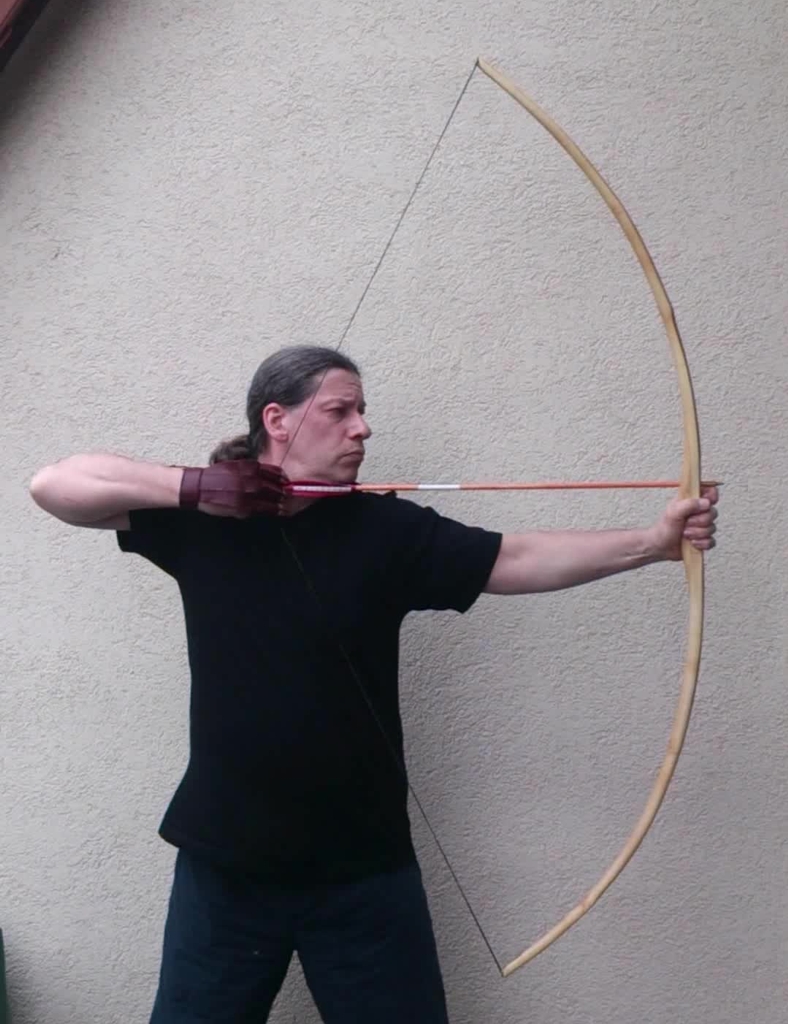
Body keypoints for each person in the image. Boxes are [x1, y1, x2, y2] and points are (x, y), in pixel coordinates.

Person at [29, 345, 719, 1024]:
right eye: (341, 410)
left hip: (362, 870)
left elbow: (514, 558)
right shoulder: (204, 521)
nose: (362, 427)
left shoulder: (383, 530)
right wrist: (197, 488)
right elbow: (55, 485)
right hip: (226, 867)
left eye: (362, 411)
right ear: (278, 420)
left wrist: (653, 544)